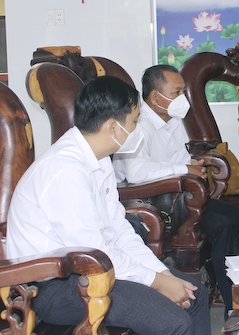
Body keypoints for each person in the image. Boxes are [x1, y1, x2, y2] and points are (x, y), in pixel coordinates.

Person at [6, 76, 210, 335]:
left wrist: (163, 275)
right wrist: (157, 283)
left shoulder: (98, 159)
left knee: (194, 293)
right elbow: (93, 253)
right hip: (57, 287)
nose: (138, 129)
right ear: (113, 127)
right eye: (135, 122)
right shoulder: (64, 170)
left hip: (94, 270)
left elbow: (118, 230)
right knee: (173, 322)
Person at [113, 65, 239, 319]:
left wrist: (193, 166)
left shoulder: (172, 121)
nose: (182, 98)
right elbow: (135, 172)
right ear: (155, 97)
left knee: (238, 217)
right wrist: (183, 168)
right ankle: (233, 308)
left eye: (182, 91)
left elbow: (179, 158)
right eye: (176, 92)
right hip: (150, 202)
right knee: (221, 226)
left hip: (178, 197)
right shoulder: (138, 123)